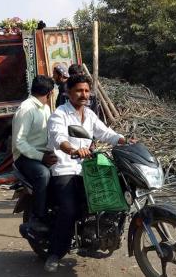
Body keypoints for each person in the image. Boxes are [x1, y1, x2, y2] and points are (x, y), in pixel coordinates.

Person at [44, 74, 127, 272]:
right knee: (70, 209)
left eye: (87, 91)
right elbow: (59, 137)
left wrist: (123, 140)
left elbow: (105, 133)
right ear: (68, 93)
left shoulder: (89, 114)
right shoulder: (60, 114)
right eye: (79, 91)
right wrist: (72, 149)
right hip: (65, 168)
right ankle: (55, 252)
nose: (84, 94)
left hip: (86, 168)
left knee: (114, 191)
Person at [12, 75, 58, 232]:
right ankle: (39, 217)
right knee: (43, 174)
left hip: (43, 154)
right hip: (25, 157)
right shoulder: (26, 109)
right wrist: (42, 157)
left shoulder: (44, 107)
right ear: (50, 93)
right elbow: (19, 143)